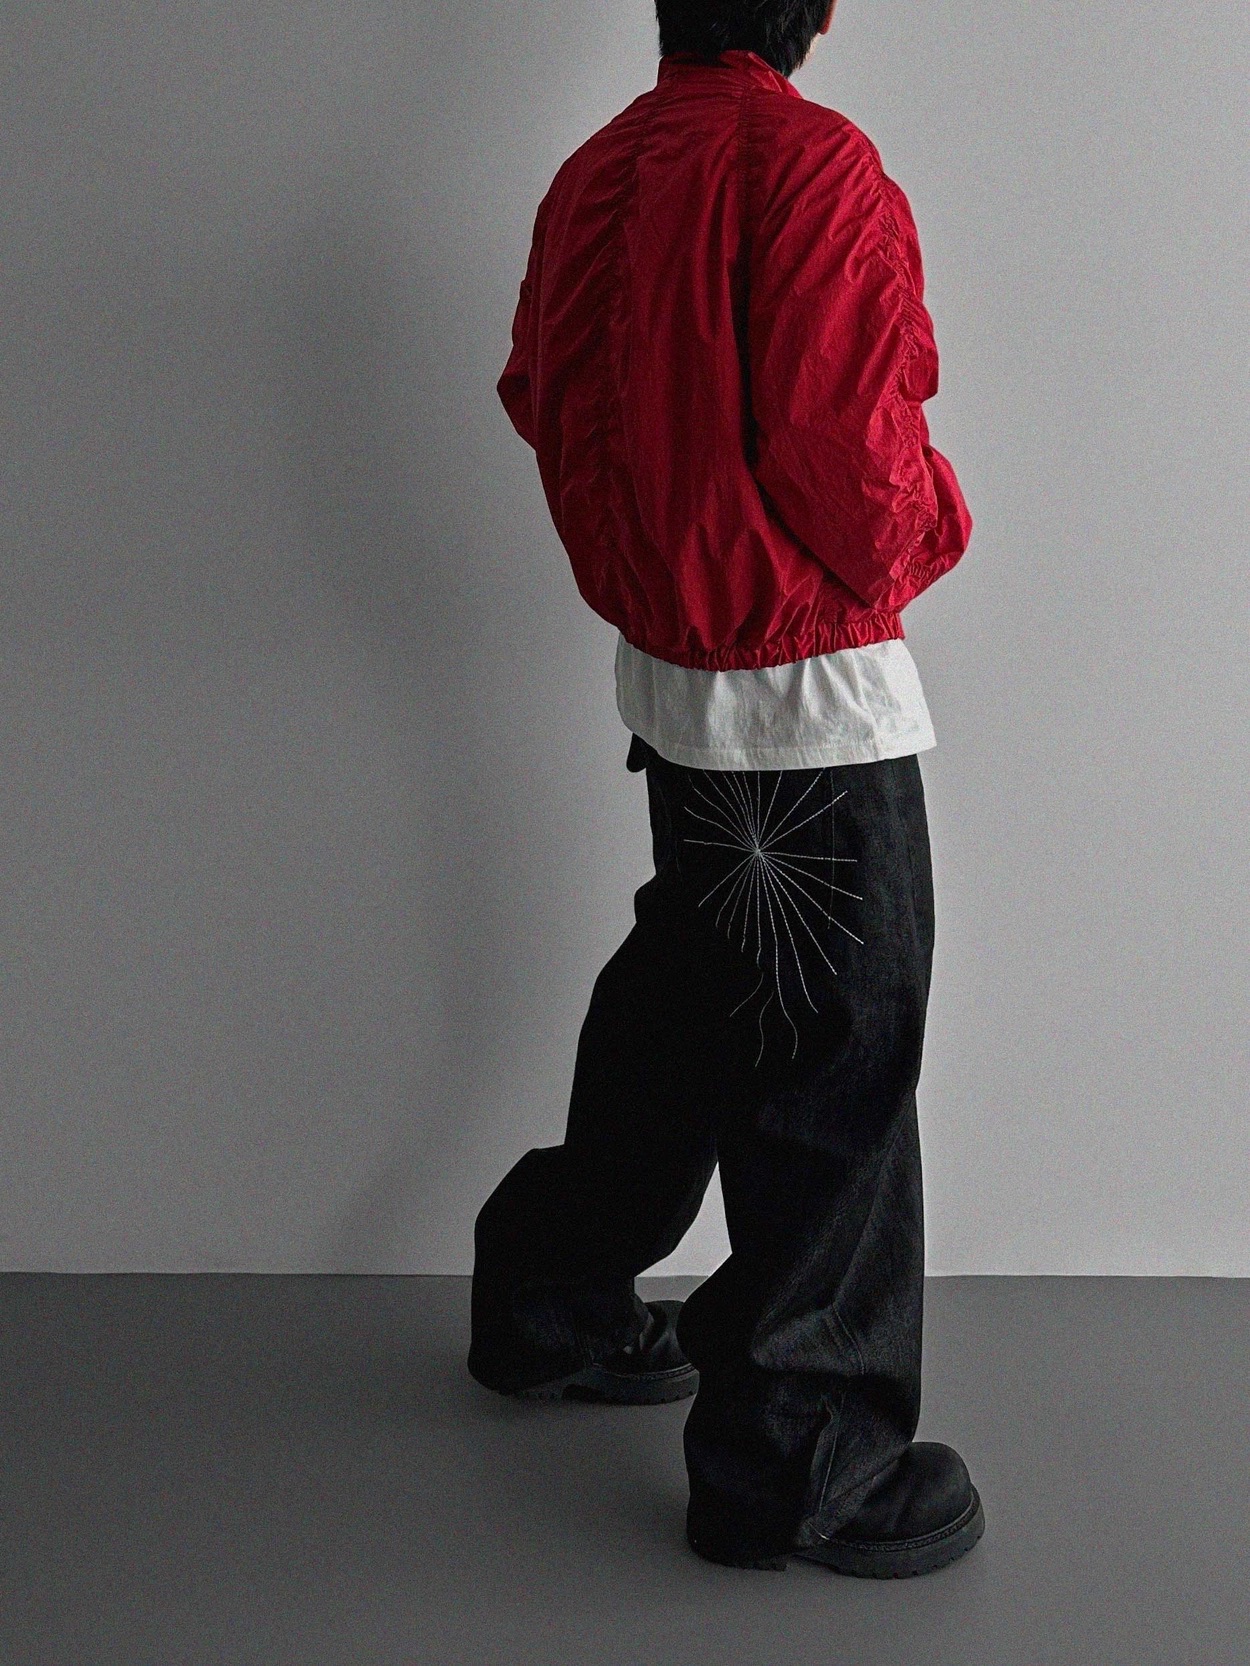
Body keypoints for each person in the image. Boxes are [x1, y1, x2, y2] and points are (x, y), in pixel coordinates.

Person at [467, 0, 984, 1577]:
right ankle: (799, 1457)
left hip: (675, 673)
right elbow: (850, 451)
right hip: (804, 689)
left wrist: (655, 565)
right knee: (836, 1054)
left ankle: (550, 1296)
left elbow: (538, 391)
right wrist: (932, 529)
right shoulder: (812, 166)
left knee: (690, 1000)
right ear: (812, 10)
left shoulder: (599, 169)